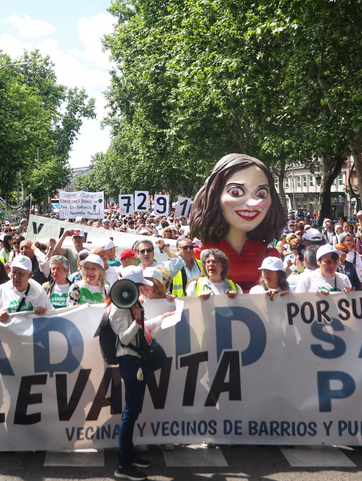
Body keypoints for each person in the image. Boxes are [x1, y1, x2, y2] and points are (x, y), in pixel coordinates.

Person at [107, 269, 174, 480]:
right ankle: (122, 464)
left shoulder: (129, 304)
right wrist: (137, 319)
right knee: (130, 414)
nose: (143, 288)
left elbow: (141, 329)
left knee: (132, 413)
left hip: (136, 361)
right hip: (130, 361)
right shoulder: (118, 308)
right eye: (140, 285)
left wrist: (159, 318)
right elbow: (125, 339)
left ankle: (129, 453)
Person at [188, 154, 284, 291]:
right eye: (236, 192)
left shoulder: (269, 254)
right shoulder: (200, 255)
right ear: (215, 194)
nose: (252, 203)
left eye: (261, 194)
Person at [0, 255, 51, 321]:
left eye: (20, 273)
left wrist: (44, 312)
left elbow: (53, 314)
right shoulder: (2, 290)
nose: (16, 277)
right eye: (14, 272)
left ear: (29, 275)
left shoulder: (39, 291)